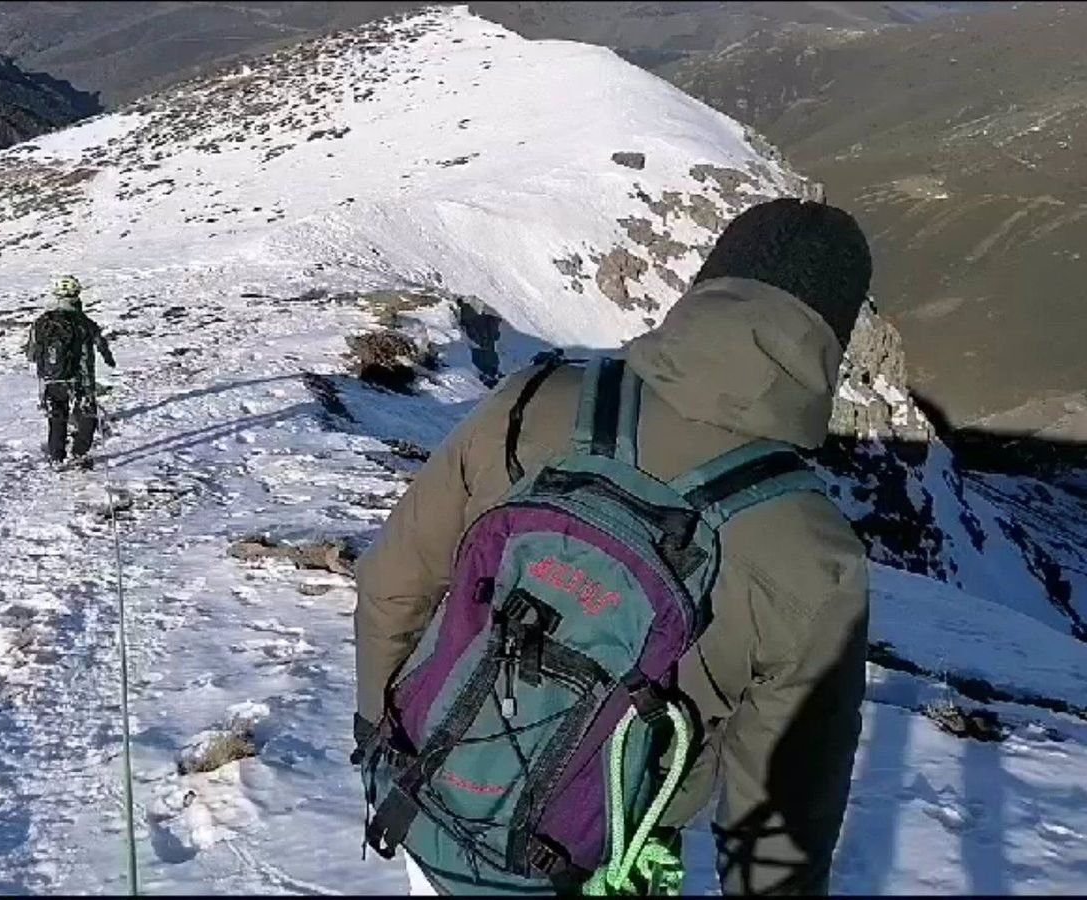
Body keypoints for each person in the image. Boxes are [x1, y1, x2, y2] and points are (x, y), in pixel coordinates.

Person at [354, 199, 872, 895]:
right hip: (592, 857)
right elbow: (783, 798)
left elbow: (394, 579)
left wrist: (379, 736)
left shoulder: (534, 400)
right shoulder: (815, 555)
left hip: (431, 802)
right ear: (830, 344)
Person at [24, 274, 116, 466]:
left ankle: (56, 457)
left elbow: (31, 354)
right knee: (87, 415)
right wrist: (109, 360)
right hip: (81, 379)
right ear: (77, 294)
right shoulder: (84, 322)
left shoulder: (41, 322)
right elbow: (101, 346)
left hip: (51, 378)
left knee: (57, 417)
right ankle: (79, 452)